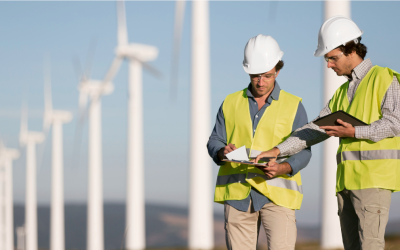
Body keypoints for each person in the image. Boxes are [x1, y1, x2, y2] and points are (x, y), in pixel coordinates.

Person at [255, 16, 400, 250]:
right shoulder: (343, 91)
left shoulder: (384, 78)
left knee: (371, 246)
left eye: (333, 58)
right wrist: (277, 150)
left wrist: (355, 131)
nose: (329, 65)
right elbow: (315, 128)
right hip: (346, 183)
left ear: (351, 50)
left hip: (374, 181)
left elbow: (395, 122)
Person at [207, 34, 311, 250]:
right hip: (238, 194)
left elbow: (304, 150)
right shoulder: (230, 102)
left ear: (278, 70)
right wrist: (221, 151)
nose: (261, 82)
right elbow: (215, 139)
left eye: (267, 75)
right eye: (255, 76)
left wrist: (283, 166)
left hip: (278, 196)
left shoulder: (294, 105)